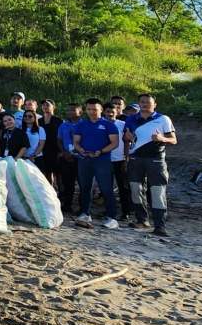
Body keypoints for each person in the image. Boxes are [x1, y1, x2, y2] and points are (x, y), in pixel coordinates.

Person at [123, 94, 176, 236]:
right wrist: (127, 140)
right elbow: (127, 140)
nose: (145, 104)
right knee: (135, 189)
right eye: (142, 102)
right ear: (138, 104)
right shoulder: (131, 119)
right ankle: (142, 220)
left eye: (148, 102)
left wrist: (161, 138)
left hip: (156, 160)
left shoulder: (163, 119)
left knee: (157, 192)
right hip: (135, 159)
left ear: (155, 104)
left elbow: (173, 140)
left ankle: (160, 226)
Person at [72, 98, 120, 229]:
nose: (92, 112)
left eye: (95, 109)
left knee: (106, 189)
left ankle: (112, 218)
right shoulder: (81, 125)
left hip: (102, 161)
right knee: (85, 188)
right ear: (85, 110)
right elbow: (76, 141)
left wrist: (101, 151)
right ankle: (85, 214)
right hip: (85, 160)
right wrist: (81, 150)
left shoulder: (109, 125)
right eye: (89, 109)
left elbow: (115, 143)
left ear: (101, 110)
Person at [104, 102, 130, 222]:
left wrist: (126, 157)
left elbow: (127, 142)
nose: (110, 114)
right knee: (106, 187)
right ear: (104, 112)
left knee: (123, 187)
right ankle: (109, 211)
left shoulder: (123, 124)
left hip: (120, 160)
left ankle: (126, 212)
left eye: (112, 111)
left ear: (117, 112)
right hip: (104, 160)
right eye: (107, 111)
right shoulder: (100, 124)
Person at [56, 104, 82, 212]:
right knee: (67, 183)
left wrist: (77, 151)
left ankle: (83, 207)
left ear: (80, 112)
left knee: (83, 184)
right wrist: (64, 152)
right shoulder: (63, 125)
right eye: (68, 110)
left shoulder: (85, 124)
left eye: (72, 110)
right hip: (66, 157)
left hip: (81, 158)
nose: (69, 112)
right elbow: (59, 140)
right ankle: (67, 205)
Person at [38, 100, 63, 188]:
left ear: (53, 107)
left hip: (56, 151)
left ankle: (62, 194)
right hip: (43, 150)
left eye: (47, 105)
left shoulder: (58, 121)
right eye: (43, 105)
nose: (45, 107)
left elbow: (61, 137)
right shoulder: (39, 121)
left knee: (58, 174)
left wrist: (61, 151)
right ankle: (51, 192)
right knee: (47, 173)